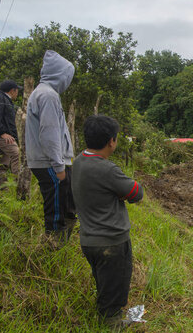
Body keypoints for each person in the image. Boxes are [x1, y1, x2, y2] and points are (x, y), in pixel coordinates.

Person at [72, 115, 144, 327]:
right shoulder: (108, 169)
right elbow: (136, 193)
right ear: (111, 141)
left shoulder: (78, 161)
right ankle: (111, 324)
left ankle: (105, 312)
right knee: (115, 286)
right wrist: (120, 193)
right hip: (111, 243)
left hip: (88, 241)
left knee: (104, 281)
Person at [25, 50, 77, 243]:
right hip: (49, 162)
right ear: (59, 75)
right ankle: (54, 246)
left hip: (52, 161)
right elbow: (49, 134)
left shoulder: (45, 93)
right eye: (67, 76)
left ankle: (61, 242)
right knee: (56, 209)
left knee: (65, 204)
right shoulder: (47, 96)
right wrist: (58, 166)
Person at [0, 80, 22, 187]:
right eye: (17, 90)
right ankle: (19, 185)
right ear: (13, 90)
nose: (18, 93)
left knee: (1, 163)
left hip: (5, 135)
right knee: (17, 154)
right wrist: (2, 132)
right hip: (1, 135)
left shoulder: (5, 99)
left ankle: (3, 192)